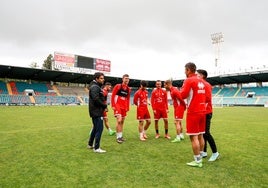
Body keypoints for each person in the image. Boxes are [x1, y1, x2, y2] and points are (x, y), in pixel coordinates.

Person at [179, 62, 207, 167]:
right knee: (201, 135)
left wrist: (180, 91)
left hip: (193, 112)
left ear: (188, 70)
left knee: (193, 137)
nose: (184, 72)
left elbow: (183, 95)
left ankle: (197, 160)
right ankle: (200, 156)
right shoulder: (202, 81)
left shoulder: (189, 80)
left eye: (185, 70)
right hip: (202, 111)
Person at [197, 69, 220, 162]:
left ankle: (215, 153)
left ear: (202, 76)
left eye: (197, 75)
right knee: (202, 133)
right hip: (202, 111)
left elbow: (206, 99)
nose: (196, 76)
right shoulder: (202, 85)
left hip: (206, 111)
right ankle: (204, 152)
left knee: (206, 133)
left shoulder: (206, 85)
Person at [87, 72, 107, 153]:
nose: (103, 80)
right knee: (99, 129)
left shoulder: (95, 86)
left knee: (95, 128)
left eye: (103, 78)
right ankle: (97, 148)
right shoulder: (95, 87)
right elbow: (96, 99)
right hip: (97, 111)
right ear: (96, 79)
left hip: (95, 110)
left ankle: (90, 144)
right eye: (101, 78)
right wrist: (104, 106)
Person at [111, 74, 131, 143]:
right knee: (119, 120)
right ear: (122, 79)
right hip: (117, 105)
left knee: (122, 121)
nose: (127, 80)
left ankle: (120, 136)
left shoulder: (128, 89)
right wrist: (113, 105)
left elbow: (128, 99)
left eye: (128, 79)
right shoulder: (118, 86)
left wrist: (127, 107)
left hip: (124, 107)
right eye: (125, 78)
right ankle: (117, 137)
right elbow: (113, 95)